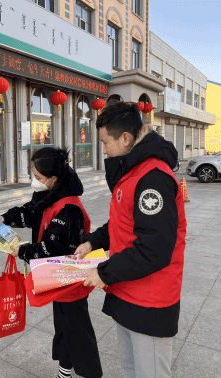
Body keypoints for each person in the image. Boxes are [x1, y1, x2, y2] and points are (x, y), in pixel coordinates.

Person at [75, 101, 186, 378]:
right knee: (130, 370)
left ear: (125, 139)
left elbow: (154, 249)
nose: (103, 150)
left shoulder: (153, 178)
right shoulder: (132, 172)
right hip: (126, 291)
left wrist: (104, 272)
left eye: (105, 142)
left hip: (150, 300)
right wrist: (92, 242)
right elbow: (121, 223)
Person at [0, 147, 103, 378]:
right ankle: (64, 371)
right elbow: (30, 213)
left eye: (37, 177)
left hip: (71, 281)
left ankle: (91, 374)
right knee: (64, 329)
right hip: (58, 279)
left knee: (78, 331)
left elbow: (50, 249)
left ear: (53, 178)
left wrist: (23, 251)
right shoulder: (50, 195)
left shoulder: (68, 207)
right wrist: (6, 218)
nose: (34, 182)